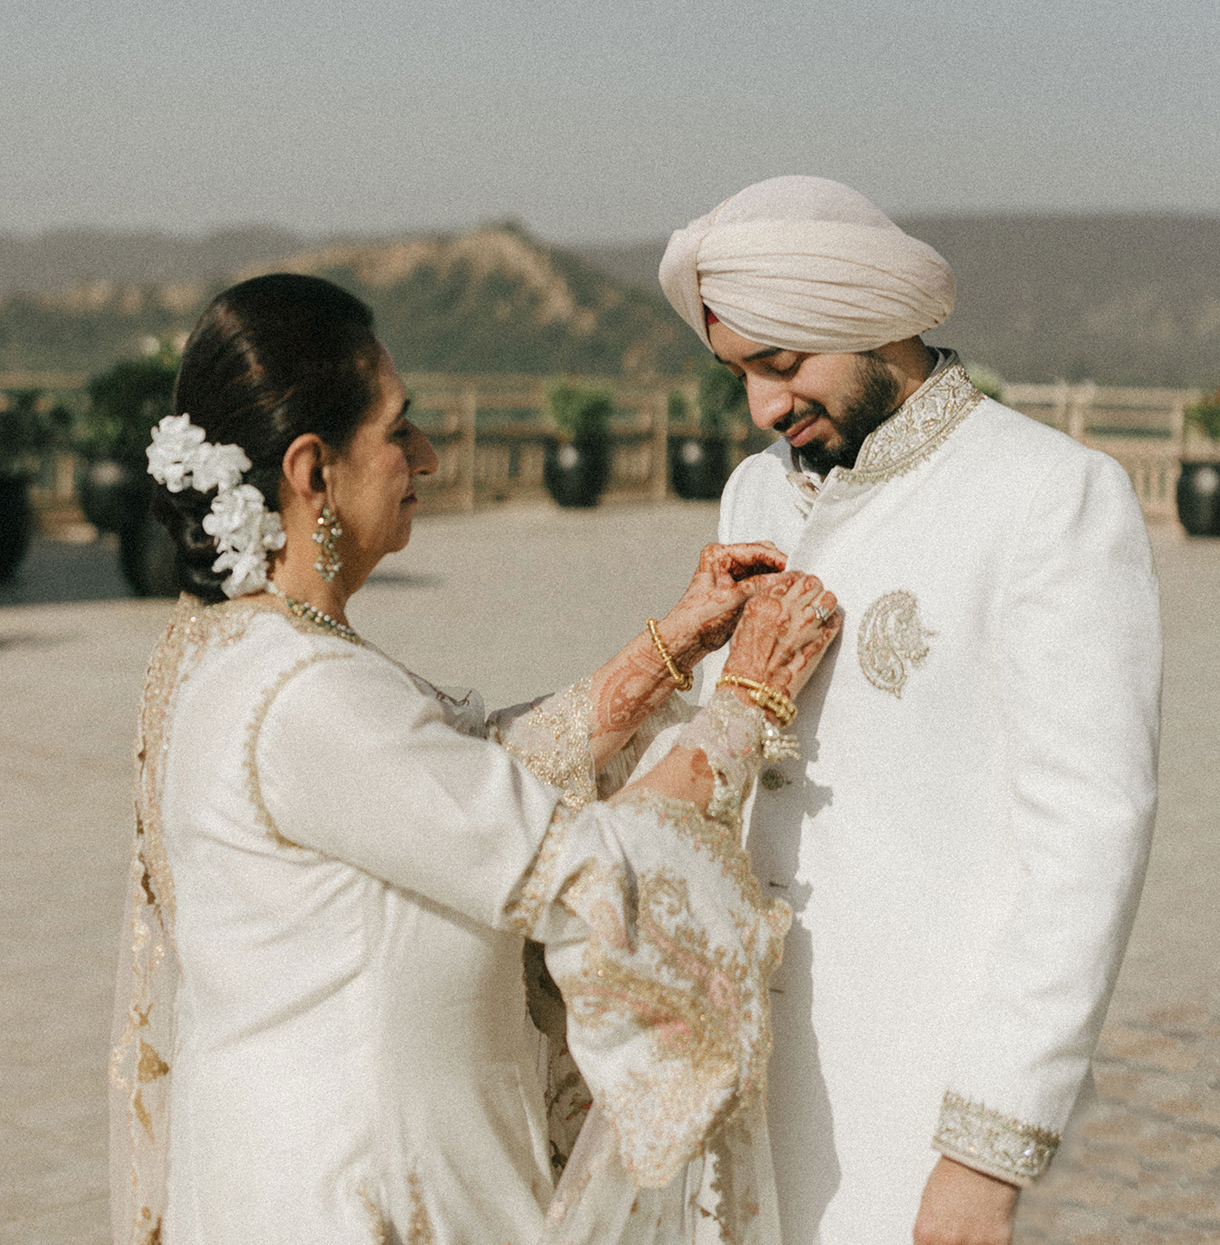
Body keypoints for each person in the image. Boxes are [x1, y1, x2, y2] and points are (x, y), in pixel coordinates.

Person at [109, 271, 843, 1245]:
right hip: (358, 1193)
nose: (425, 453)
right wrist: (746, 702)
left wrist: (665, 649)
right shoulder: (306, 693)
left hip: (273, 1175)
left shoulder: (223, 646)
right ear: (312, 469)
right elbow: (587, 870)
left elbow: (447, 789)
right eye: (397, 428)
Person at [660, 177, 1161, 1245]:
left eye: (780, 363)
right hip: (742, 1083)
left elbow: (1087, 840)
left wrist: (987, 1148)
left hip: (916, 1103)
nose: (762, 408)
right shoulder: (756, 492)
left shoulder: (1048, 494)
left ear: (869, 316)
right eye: (740, 373)